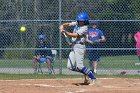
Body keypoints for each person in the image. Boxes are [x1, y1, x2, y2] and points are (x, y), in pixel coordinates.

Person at [59, 12, 96, 85]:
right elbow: (69, 24)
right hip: (74, 46)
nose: (80, 22)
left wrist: (65, 32)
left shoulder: (84, 28)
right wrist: (63, 25)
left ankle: (93, 78)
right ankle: (86, 72)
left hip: (80, 47)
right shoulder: (77, 23)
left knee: (80, 66)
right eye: (79, 20)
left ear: (85, 21)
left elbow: (75, 35)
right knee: (69, 66)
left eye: (81, 21)